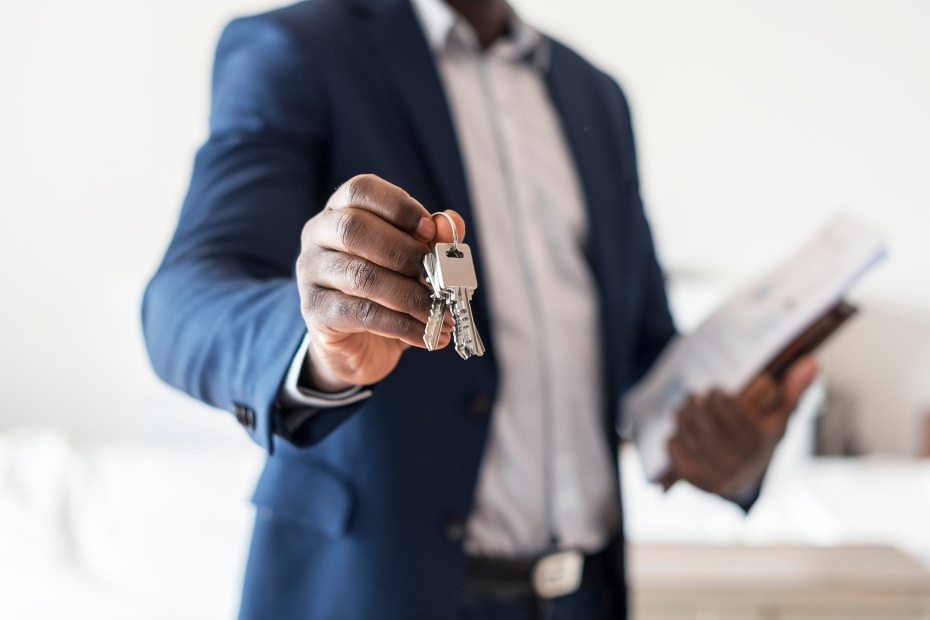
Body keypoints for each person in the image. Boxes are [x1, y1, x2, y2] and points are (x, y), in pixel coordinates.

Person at [142, 0, 817, 617]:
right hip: (377, 593)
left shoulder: (595, 97)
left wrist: (731, 450)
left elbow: (638, 352)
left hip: (585, 597)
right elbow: (183, 300)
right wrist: (318, 345)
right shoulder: (297, 50)